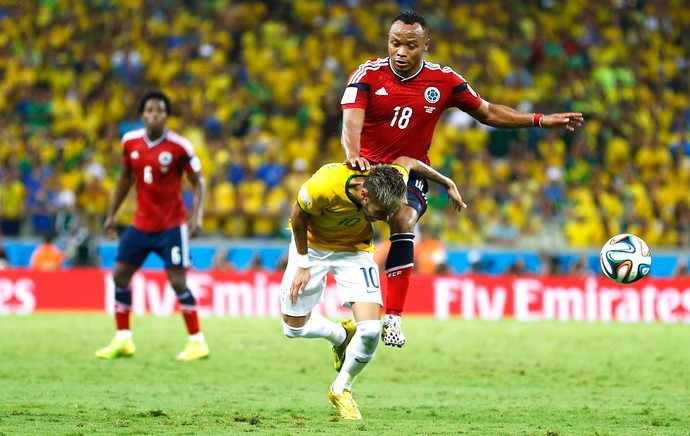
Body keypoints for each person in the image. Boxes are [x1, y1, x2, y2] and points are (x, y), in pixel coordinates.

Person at [341, 10, 585, 347]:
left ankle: (393, 317)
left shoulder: (445, 81)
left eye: (410, 46)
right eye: (395, 43)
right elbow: (351, 121)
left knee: (405, 217)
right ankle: (346, 295)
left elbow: (487, 112)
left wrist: (540, 120)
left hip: (410, 170)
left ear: (425, 45)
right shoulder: (368, 74)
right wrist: (354, 154)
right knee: (345, 229)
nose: (400, 51)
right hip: (365, 170)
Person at [280, 155, 465, 420]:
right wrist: (303, 263)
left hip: (356, 252)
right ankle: (341, 336)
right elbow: (298, 215)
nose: (384, 218)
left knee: (369, 330)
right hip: (312, 248)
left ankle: (341, 389)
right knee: (293, 329)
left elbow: (408, 161)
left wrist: (446, 181)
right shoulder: (323, 185)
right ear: (364, 193)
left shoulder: (390, 180)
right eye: (380, 212)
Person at [95, 91, 208, 361]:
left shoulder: (180, 146)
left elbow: (199, 182)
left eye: (160, 110)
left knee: (177, 281)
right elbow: (124, 178)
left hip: (171, 225)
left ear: (166, 115)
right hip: (141, 224)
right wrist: (112, 214)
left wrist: (197, 216)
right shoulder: (130, 142)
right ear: (143, 115)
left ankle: (197, 342)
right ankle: (123, 340)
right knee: (120, 275)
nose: (154, 114)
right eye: (150, 110)